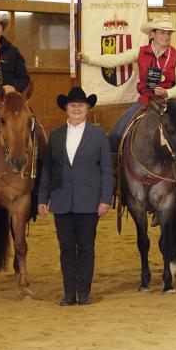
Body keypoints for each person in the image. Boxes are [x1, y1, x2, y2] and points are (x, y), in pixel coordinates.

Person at [77, 15, 176, 222]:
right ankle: (115, 179)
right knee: (116, 133)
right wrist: (89, 59)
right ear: (153, 34)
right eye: (162, 32)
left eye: (169, 33)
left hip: (173, 103)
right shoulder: (140, 53)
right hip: (146, 102)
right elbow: (116, 59)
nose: (166, 36)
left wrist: (168, 92)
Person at [36, 87, 113, 306]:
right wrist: (42, 198)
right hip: (61, 200)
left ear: (87, 108)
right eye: (73, 105)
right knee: (67, 249)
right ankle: (69, 293)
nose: (77, 108)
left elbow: (107, 170)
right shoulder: (55, 135)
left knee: (86, 248)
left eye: (81, 105)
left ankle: (84, 292)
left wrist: (105, 198)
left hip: (89, 201)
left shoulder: (99, 135)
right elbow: (48, 169)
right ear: (66, 108)